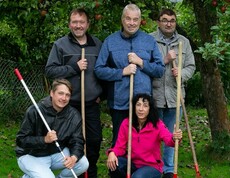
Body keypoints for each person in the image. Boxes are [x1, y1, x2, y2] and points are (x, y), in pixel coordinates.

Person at [94, 3, 165, 147]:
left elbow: (159, 70)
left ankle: (141, 170)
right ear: (122, 20)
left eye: (135, 19)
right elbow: (99, 70)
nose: (132, 23)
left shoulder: (149, 41)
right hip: (119, 103)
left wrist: (141, 62)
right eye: (128, 19)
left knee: (142, 144)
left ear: (140, 21)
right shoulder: (110, 41)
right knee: (119, 143)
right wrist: (122, 72)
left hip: (142, 105)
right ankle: (117, 169)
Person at [45, 8, 103, 178]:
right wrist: (73, 68)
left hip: (91, 103)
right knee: (68, 140)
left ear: (88, 24)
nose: (78, 26)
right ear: (70, 24)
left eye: (82, 22)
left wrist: (102, 94)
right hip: (68, 105)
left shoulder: (97, 45)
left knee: (94, 140)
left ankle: (89, 172)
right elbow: (50, 71)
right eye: (75, 22)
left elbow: (104, 72)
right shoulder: (60, 45)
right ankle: (71, 172)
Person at [150, 9, 196, 178]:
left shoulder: (183, 42)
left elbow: (191, 66)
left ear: (175, 22)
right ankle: (154, 167)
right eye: (164, 20)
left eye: (172, 20)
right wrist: (165, 61)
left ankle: (169, 169)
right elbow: (146, 66)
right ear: (158, 22)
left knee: (172, 135)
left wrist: (182, 74)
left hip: (175, 97)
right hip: (154, 97)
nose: (168, 23)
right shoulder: (150, 40)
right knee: (154, 135)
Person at [15, 79, 89, 178]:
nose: (64, 98)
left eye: (67, 95)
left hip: (56, 153)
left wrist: (74, 157)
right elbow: (21, 140)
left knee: (83, 163)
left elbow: (78, 140)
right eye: (60, 93)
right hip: (31, 155)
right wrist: (44, 139)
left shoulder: (73, 115)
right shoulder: (35, 111)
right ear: (52, 93)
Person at [106, 93, 182, 178]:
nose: (141, 109)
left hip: (152, 166)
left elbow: (169, 140)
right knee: (114, 164)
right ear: (134, 107)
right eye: (138, 105)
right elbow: (120, 147)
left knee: (138, 177)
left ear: (150, 109)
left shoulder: (157, 124)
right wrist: (112, 153)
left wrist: (175, 138)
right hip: (133, 163)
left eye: (145, 106)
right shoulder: (127, 123)